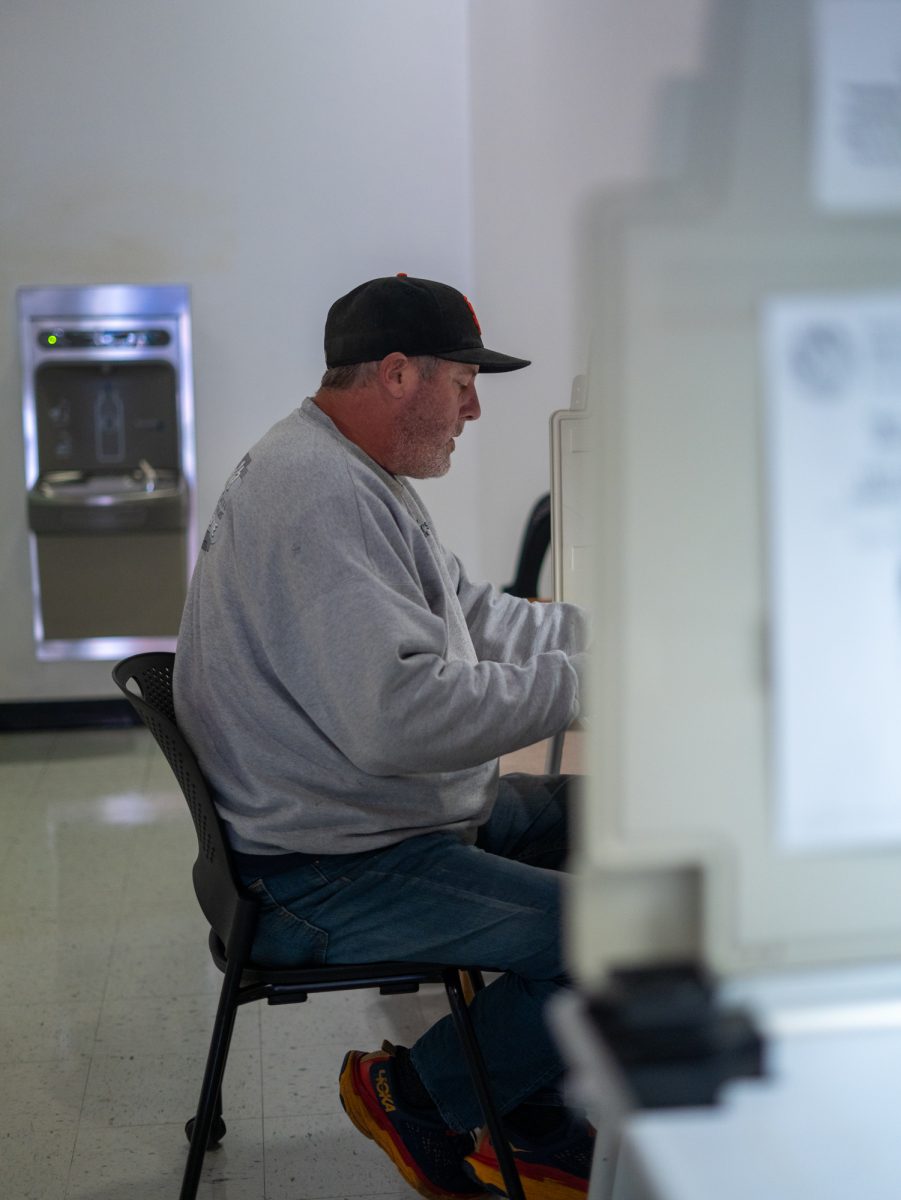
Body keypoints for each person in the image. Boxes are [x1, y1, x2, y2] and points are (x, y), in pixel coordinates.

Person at [173, 274, 593, 1200]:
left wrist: (611, 644)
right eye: (463, 382)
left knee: (618, 821)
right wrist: (582, 689)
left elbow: (468, 611)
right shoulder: (317, 492)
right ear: (398, 374)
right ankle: (416, 1095)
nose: (475, 408)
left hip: (361, 818)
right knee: (607, 932)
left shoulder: (349, 471)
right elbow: (396, 717)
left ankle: (515, 1108)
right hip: (322, 866)